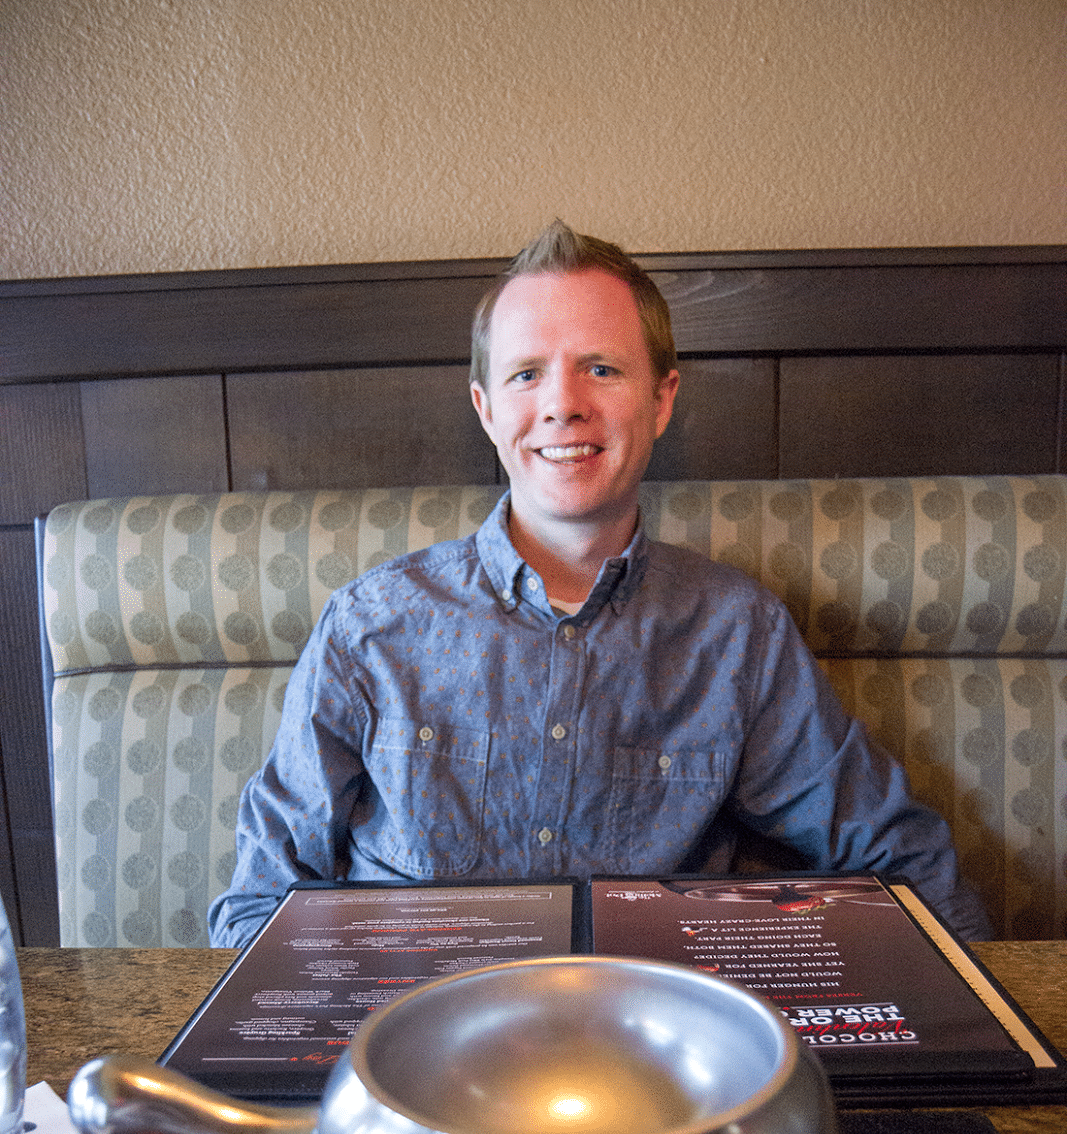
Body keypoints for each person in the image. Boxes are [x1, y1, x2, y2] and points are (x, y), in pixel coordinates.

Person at [208, 222, 990, 948]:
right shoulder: (367, 626)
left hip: (653, 1054)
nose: (562, 405)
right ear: (486, 410)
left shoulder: (735, 631)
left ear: (660, 400)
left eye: (602, 369)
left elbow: (896, 854)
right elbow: (260, 904)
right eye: (525, 374)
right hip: (414, 1050)